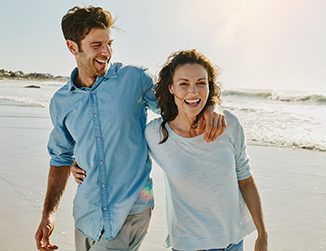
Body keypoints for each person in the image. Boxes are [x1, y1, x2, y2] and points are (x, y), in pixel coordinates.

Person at [35, 6, 226, 251]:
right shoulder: (61, 102)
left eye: (109, 43)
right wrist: (48, 215)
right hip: (86, 215)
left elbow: (179, 104)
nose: (107, 52)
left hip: (130, 210)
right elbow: (60, 157)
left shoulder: (135, 79)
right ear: (73, 47)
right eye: (96, 45)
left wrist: (211, 105)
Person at [144, 49, 268, 251]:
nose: (193, 92)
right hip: (188, 245)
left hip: (232, 243)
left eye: (201, 83)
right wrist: (82, 158)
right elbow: (123, 153)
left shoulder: (229, 125)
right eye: (183, 84)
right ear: (171, 88)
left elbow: (245, 180)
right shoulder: (155, 134)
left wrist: (262, 235)